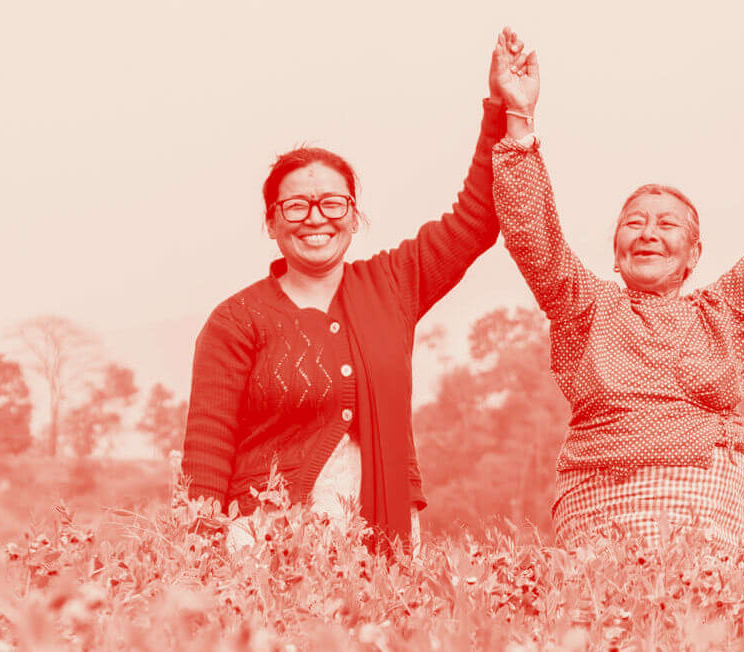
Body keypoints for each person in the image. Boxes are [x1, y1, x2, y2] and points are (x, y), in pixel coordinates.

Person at [489, 52, 744, 550]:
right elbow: (534, 235)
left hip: (707, 506)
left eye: (667, 224)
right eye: (634, 223)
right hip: (597, 503)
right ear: (615, 252)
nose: (649, 235)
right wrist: (519, 117)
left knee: (699, 621)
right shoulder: (586, 307)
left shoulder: (727, 313)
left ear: (693, 254)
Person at [182, 29, 524, 551]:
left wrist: (503, 109)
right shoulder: (236, 320)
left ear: (354, 215)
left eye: (332, 204)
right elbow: (206, 452)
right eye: (296, 206)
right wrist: (198, 558)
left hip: (380, 536)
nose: (315, 219)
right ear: (271, 223)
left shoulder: (392, 283)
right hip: (264, 543)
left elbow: (476, 219)